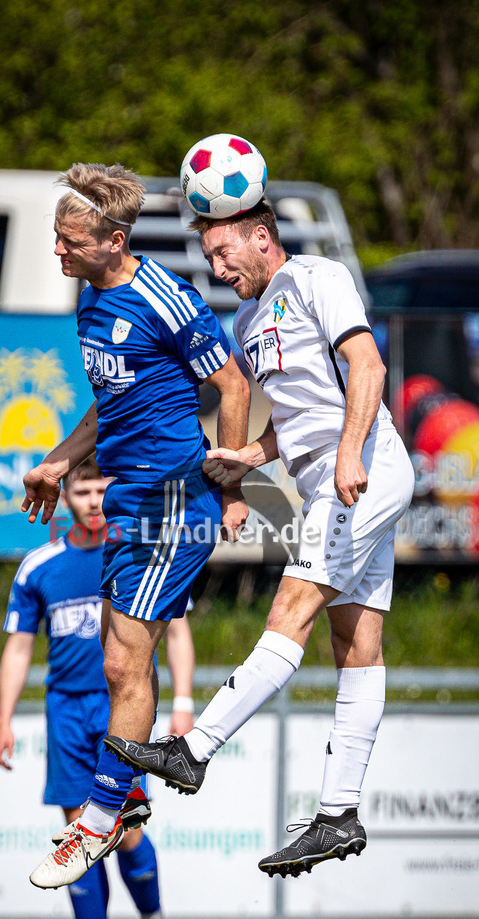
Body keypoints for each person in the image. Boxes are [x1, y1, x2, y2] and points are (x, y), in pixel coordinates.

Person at [105, 198, 415, 879]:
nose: (218, 269)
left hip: (360, 477)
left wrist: (350, 452)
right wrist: (251, 454)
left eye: (224, 254)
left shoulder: (316, 279)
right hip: (331, 483)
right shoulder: (247, 318)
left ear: (261, 237)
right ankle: (338, 815)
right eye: (209, 259)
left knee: (288, 609)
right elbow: (304, 410)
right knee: (354, 641)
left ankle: (195, 749)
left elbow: (366, 368)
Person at [20, 162, 250, 890]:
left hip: (176, 498)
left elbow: (232, 383)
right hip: (129, 500)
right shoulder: (89, 301)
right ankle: (119, 804)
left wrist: (233, 483)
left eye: (70, 241)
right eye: (57, 238)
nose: (57, 250)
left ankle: (99, 819)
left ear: (114, 240)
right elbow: (110, 403)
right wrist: (60, 461)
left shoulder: (164, 298)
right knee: (123, 658)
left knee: (121, 662)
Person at [0, 459, 194, 919]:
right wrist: (4, 719)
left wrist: (183, 701)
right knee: (75, 834)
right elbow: (18, 649)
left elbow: (175, 632)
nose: (94, 500)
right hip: (65, 712)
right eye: (83, 490)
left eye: (103, 489)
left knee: (124, 829)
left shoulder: (141, 555)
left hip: (120, 711)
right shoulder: (40, 567)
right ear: (66, 496)